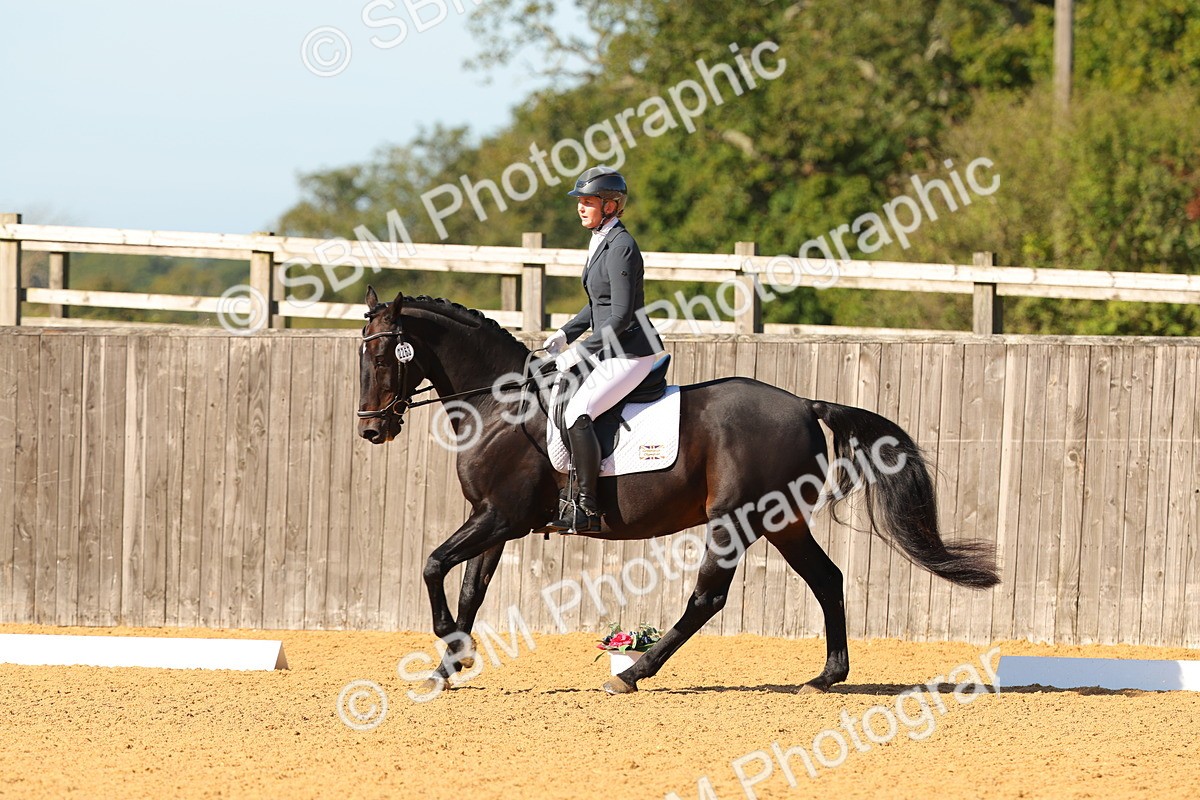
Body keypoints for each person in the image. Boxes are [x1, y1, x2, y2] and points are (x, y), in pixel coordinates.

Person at [543, 166, 664, 534]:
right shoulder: (602, 241)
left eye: (588, 202)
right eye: (580, 201)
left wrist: (579, 351)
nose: (581, 208)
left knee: (580, 411)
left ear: (610, 207)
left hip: (632, 353)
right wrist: (566, 333)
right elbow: (599, 303)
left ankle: (586, 505)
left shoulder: (622, 246)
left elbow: (622, 316)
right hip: (609, 349)